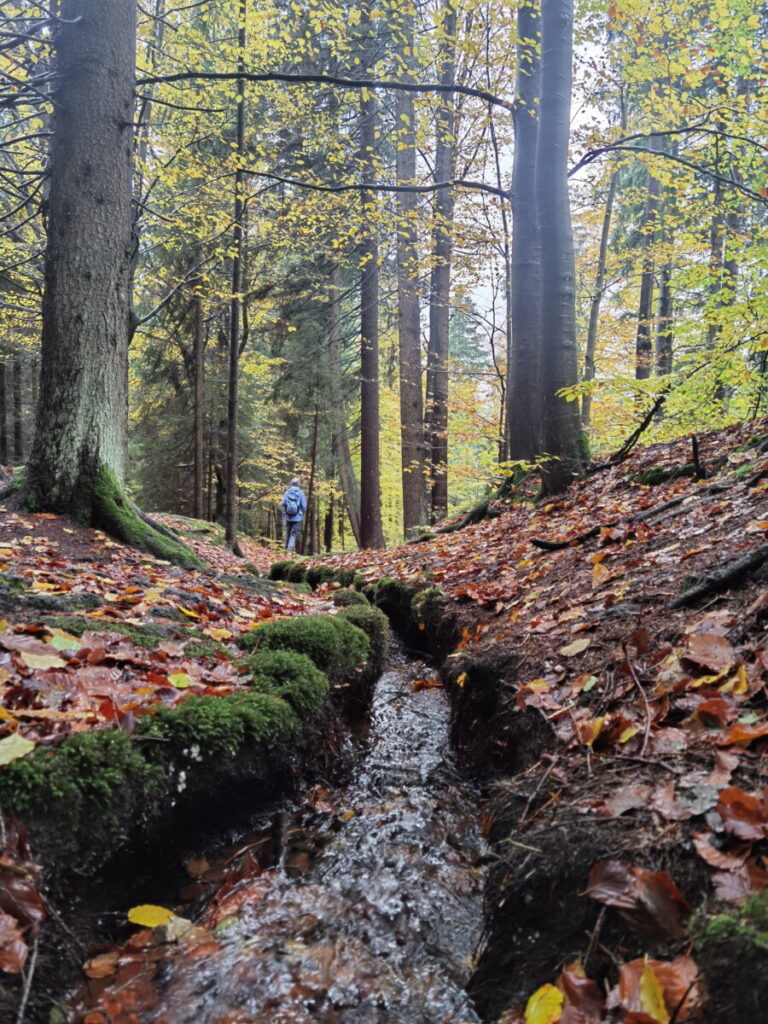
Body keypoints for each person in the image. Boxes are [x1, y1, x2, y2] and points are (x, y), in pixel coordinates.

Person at [280, 477, 306, 552]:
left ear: (291, 484)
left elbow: (283, 503)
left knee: (288, 533)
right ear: (298, 484)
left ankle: (285, 549)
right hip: (297, 516)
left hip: (288, 516)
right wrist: (301, 512)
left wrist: (287, 507)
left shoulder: (287, 492)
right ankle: (290, 550)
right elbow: (304, 506)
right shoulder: (301, 493)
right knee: (293, 533)